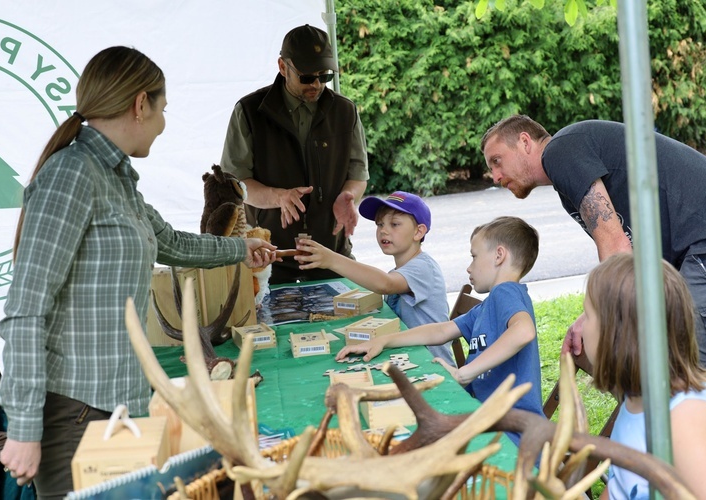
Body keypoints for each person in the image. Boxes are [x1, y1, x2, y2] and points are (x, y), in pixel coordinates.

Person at [0, 46, 276, 498]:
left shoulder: (115, 178)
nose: (164, 123)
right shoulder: (71, 174)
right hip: (75, 415)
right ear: (140, 104)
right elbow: (26, 309)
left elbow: (172, 243)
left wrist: (241, 248)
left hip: (119, 405)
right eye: (163, 109)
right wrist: (25, 427)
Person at [480, 115, 706, 390]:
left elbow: (616, 249)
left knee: (667, 374)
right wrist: (592, 316)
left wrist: (593, 316)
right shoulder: (567, 171)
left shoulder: (560, 152)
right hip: (696, 255)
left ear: (525, 142)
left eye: (497, 161)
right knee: (647, 369)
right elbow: (631, 257)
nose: (495, 176)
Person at [336, 216, 543, 446]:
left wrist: (464, 373)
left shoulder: (506, 293)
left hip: (512, 435)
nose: (469, 266)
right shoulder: (489, 305)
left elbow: (524, 331)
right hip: (489, 420)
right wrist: (384, 340)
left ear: (499, 256)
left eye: (474, 257)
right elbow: (441, 331)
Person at [220, 24, 369, 285]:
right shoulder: (250, 112)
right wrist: (280, 197)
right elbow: (237, 186)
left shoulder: (345, 112)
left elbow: (358, 174)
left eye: (324, 77)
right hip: (269, 261)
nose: (316, 85)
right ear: (282, 67)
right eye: (307, 77)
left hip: (332, 256)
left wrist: (349, 195)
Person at [580, 253, 706, 499]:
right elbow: (621, 486)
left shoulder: (686, 419)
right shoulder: (635, 403)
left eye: (587, 314)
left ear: (617, 334)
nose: (581, 325)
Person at [296, 191, 456, 366]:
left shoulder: (423, 268)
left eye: (394, 224)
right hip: (405, 357)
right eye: (380, 224)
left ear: (419, 232)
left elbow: (385, 284)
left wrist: (332, 260)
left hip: (432, 364)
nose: (384, 230)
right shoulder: (400, 270)